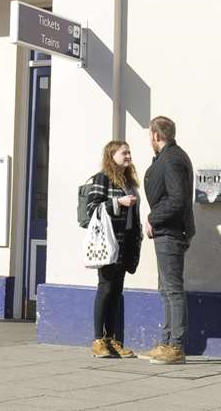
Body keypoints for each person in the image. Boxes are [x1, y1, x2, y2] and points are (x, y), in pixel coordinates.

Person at [78, 141, 143, 358]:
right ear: (111, 155)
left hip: (125, 244)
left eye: (129, 152)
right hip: (108, 242)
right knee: (105, 289)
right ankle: (98, 341)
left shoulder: (128, 181)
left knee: (116, 292)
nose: (128, 156)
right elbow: (92, 208)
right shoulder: (102, 178)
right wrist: (119, 202)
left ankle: (113, 340)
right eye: (124, 153)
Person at [142, 116, 195, 364]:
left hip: (170, 231)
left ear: (155, 136)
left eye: (149, 136)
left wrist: (153, 217)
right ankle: (165, 342)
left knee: (172, 290)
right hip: (166, 232)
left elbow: (178, 199)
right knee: (165, 289)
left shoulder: (173, 159)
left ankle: (175, 346)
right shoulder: (169, 157)